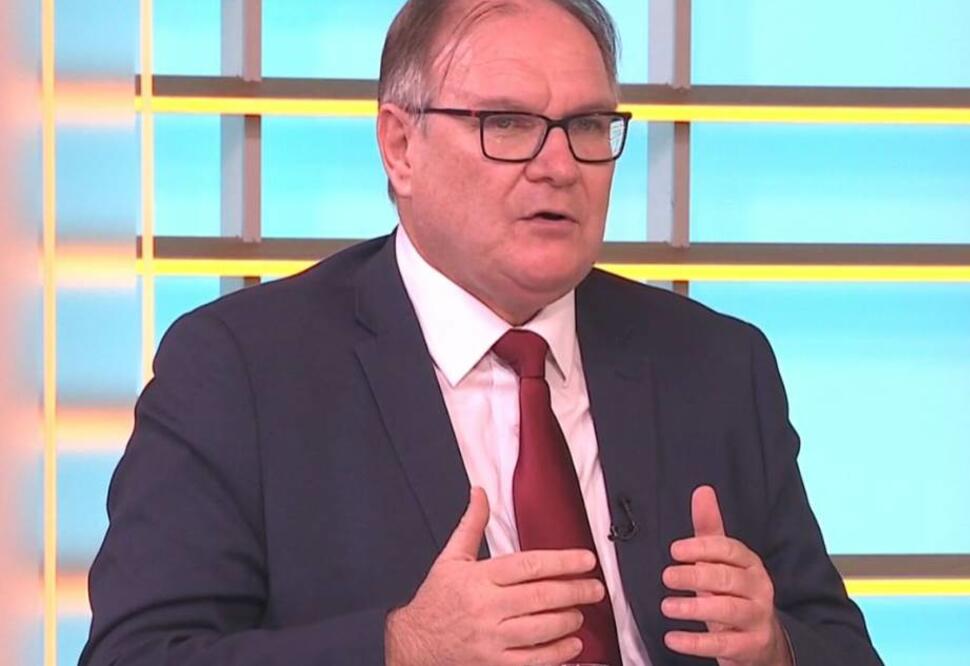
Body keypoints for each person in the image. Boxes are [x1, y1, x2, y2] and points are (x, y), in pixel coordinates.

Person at [81, 1, 884, 664]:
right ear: (400, 146)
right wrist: (401, 649)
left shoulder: (716, 363)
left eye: (588, 125)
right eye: (507, 123)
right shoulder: (241, 369)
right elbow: (137, 655)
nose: (559, 165)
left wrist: (774, 647)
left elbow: (842, 646)